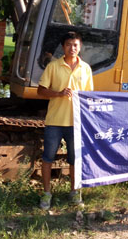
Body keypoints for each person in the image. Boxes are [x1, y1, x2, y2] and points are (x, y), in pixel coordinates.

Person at [37, 31, 94, 209]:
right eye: (69, 45)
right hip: (55, 121)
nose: (72, 48)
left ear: (80, 46)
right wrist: (58, 94)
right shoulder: (53, 67)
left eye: (76, 45)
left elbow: (89, 96)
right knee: (48, 158)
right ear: (63, 47)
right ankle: (46, 194)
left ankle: (75, 193)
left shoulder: (85, 69)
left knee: (75, 160)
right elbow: (41, 90)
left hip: (76, 123)